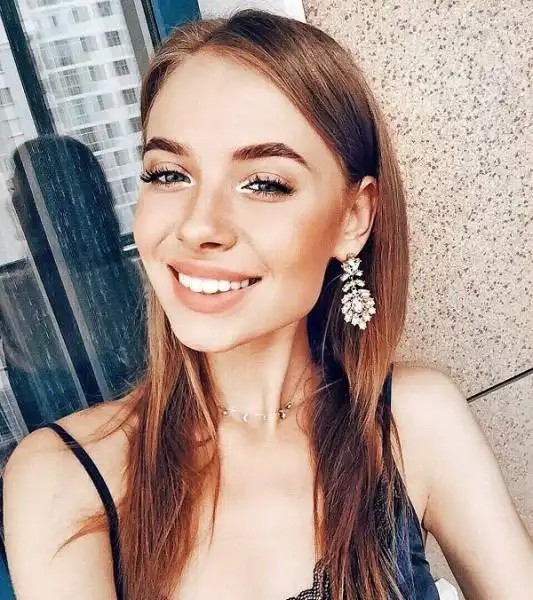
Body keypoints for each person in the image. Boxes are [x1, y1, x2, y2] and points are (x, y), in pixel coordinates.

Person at [2, 9, 532, 600]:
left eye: (264, 183)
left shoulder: (411, 422)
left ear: (352, 218)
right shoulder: (67, 476)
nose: (199, 225)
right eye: (169, 174)